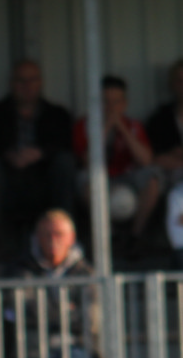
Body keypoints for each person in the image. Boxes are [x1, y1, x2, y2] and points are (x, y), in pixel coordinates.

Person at [11, 209, 98, 358]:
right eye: (47, 234)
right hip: (33, 345)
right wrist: (66, 310)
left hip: (75, 343)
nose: (53, 240)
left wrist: (47, 311)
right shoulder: (23, 269)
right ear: (37, 238)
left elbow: (88, 316)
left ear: (71, 238)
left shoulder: (85, 272)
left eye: (59, 234)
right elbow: (26, 310)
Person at [0, 59, 76, 233]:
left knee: (65, 163)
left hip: (43, 175)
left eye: (32, 80)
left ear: (40, 82)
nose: (27, 86)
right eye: (21, 80)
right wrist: (8, 154)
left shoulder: (57, 114)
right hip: (7, 175)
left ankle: (64, 233)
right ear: (11, 83)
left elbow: (67, 144)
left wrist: (41, 153)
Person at [74, 75, 162, 237]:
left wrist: (121, 127)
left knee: (152, 178)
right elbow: (87, 162)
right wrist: (106, 127)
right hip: (99, 177)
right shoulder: (84, 125)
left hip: (126, 176)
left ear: (124, 103)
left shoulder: (133, 125)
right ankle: (107, 237)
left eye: (116, 102)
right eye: (106, 101)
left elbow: (146, 160)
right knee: (84, 180)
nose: (111, 107)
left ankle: (136, 235)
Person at [143, 59, 183, 195]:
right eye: (179, 81)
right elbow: (154, 159)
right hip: (170, 180)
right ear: (172, 84)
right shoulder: (160, 119)